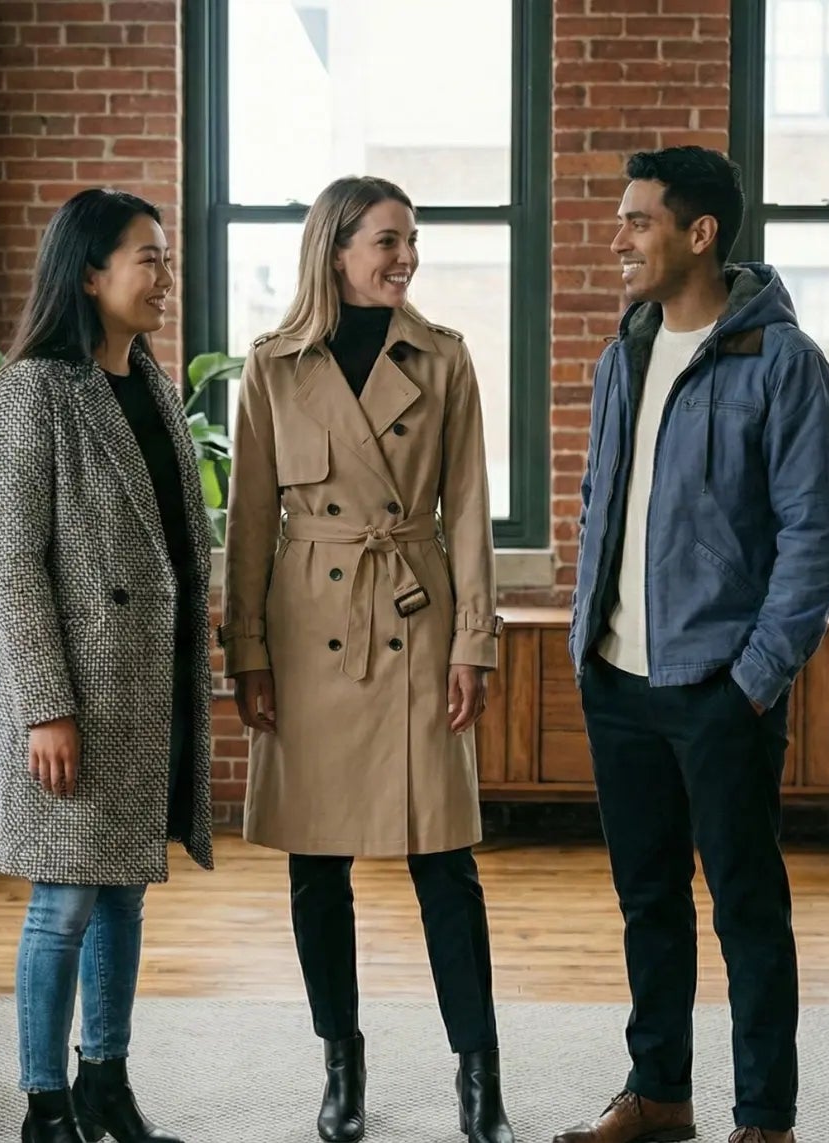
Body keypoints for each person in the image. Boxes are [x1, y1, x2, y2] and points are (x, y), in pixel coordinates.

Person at [550, 147, 829, 1143]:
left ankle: (763, 1120)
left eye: (638, 221)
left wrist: (753, 679)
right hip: (617, 679)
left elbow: (816, 534)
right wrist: (583, 638)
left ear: (698, 233)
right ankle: (658, 1095)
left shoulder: (781, 363)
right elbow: (602, 502)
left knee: (745, 912)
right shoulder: (622, 355)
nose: (618, 239)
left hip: (719, 687)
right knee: (647, 904)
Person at [219, 174, 514, 1143]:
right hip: (308, 633)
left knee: (445, 864)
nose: (405, 258)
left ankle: (479, 1081)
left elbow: (467, 509)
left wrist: (474, 639)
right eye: (387, 240)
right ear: (335, 249)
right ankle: (338, 1065)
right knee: (315, 866)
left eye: (410, 240)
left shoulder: (444, 360)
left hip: (413, 619)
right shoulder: (269, 367)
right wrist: (247, 652)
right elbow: (248, 522)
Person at [0, 187, 215, 1143]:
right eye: (146, 258)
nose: (164, 275)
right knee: (65, 899)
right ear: (89, 272)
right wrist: (45, 705)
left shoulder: (148, 377)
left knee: (124, 885)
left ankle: (104, 1081)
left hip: (144, 682)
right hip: (74, 689)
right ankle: (44, 1105)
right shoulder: (32, 389)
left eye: (164, 257)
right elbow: (15, 560)